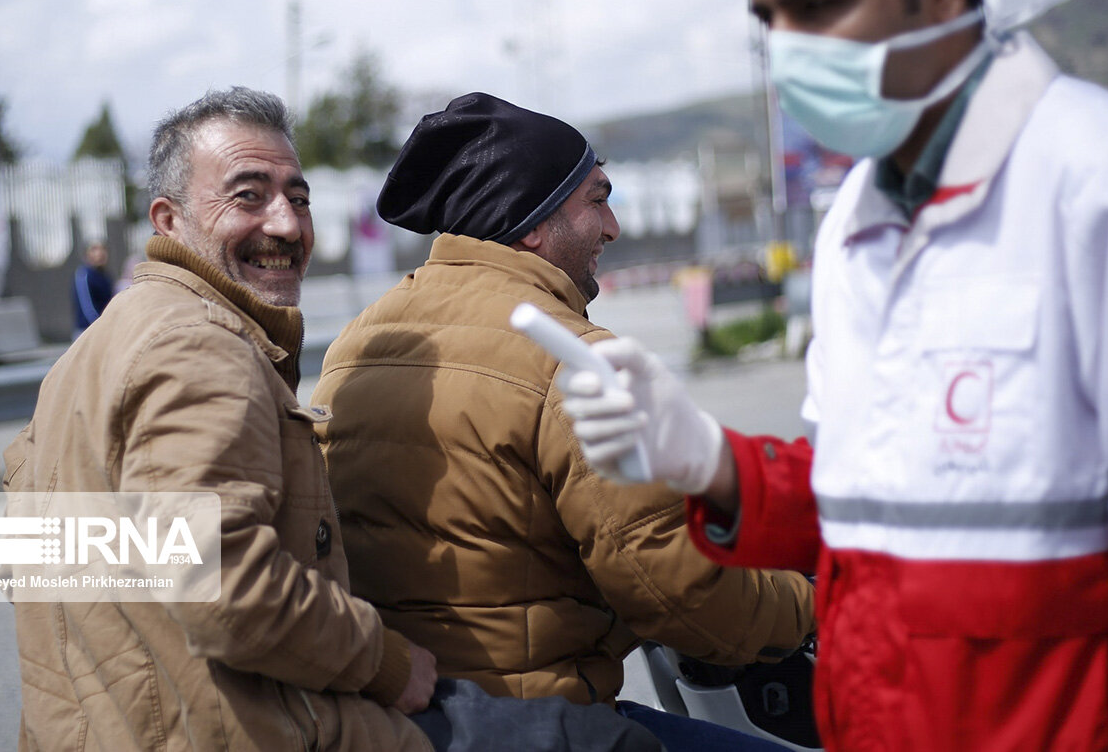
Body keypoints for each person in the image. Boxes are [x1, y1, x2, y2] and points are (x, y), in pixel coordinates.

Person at [560, 0, 1108, 750]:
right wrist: (718, 466)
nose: (790, 51)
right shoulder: (854, 223)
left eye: (819, 7)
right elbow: (873, 492)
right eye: (770, 19)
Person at [312, 92, 816, 751]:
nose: (613, 227)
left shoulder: (355, 339)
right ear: (529, 224)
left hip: (395, 718)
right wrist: (811, 603)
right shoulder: (572, 358)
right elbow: (675, 592)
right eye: (597, 200)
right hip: (535, 723)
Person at [4, 87, 436, 751]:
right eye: (248, 195)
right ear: (167, 221)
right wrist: (387, 663)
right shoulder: (199, 347)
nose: (287, 225)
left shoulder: (91, 353)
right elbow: (225, 587)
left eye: (298, 197)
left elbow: (22, 561)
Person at [71, 239, 113, 337]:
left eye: (103, 249)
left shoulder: (105, 276)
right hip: (87, 331)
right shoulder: (84, 275)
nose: (100, 253)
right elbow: (87, 307)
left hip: (105, 329)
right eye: (94, 249)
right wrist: (100, 325)